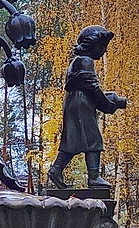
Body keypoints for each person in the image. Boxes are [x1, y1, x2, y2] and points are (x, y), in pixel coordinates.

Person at [48, 26, 127, 189]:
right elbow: (92, 88)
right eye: (102, 46)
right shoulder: (85, 61)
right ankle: (94, 176)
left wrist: (109, 100)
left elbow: (89, 87)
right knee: (93, 139)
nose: (104, 51)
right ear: (92, 44)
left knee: (72, 139)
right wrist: (108, 104)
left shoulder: (77, 61)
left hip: (75, 102)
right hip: (81, 103)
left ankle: (56, 169)